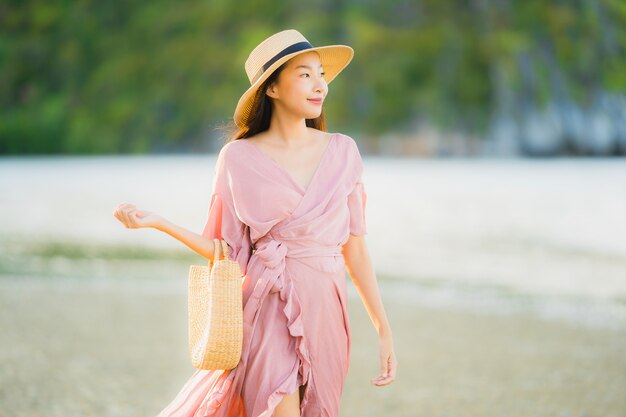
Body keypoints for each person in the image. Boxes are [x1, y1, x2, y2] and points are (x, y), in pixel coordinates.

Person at [113, 29, 397, 417]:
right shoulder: (237, 158)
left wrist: (382, 327)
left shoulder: (344, 151)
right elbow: (225, 251)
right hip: (265, 307)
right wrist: (160, 223)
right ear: (273, 89)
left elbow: (356, 249)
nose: (320, 86)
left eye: (321, 75)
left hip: (326, 310)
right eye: (304, 75)